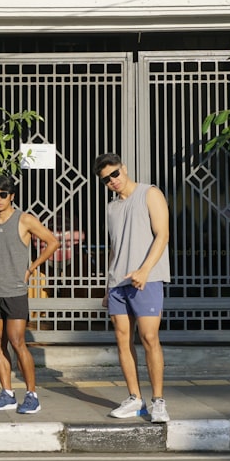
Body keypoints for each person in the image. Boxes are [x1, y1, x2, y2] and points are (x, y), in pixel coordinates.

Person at [94, 153, 171, 424]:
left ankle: (158, 402)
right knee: (122, 340)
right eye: (106, 180)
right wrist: (107, 286)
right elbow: (114, 247)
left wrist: (145, 270)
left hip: (147, 279)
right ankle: (134, 399)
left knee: (149, 338)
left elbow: (163, 234)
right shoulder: (112, 208)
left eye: (115, 174)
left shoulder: (149, 193)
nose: (112, 181)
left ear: (123, 168)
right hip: (118, 283)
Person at [0, 174, 60, 414]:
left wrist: (31, 268)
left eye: (3, 194)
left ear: (11, 196)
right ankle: (7, 394)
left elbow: (52, 242)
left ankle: (32, 395)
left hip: (15, 290)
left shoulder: (24, 220)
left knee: (17, 341)